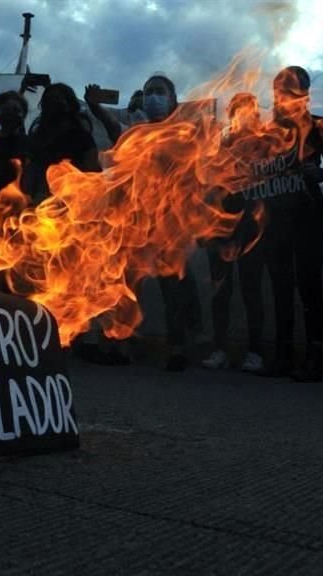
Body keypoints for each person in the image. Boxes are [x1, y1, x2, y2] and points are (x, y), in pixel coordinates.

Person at [85, 75, 203, 371]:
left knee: (173, 289)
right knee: (127, 286)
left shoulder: (183, 133)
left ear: (173, 99)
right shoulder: (136, 132)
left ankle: (178, 348)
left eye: (159, 91)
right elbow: (116, 130)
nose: (153, 97)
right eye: (149, 91)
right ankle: (123, 345)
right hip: (136, 223)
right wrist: (96, 108)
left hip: (170, 225)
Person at [256, 66, 323, 381]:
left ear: (305, 93)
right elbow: (256, 171)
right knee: (279, 286)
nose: (283, 95)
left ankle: (314, 358)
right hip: (276, 215)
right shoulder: (266, 133)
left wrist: (314, 173)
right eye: (279, 89)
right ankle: (282, 356)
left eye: (291, 89)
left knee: (309, 283)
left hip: (308, 213)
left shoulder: (320, 125)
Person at [200, 93, 267, 373]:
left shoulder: (265, 143)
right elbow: (209, 187)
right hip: (222, 225)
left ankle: (256, 352)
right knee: (220, 292)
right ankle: (220, 349)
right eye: (236, 110)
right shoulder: (221, 145)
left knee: (252, 290)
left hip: (252, 226)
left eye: (247, 110)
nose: (242, 115)